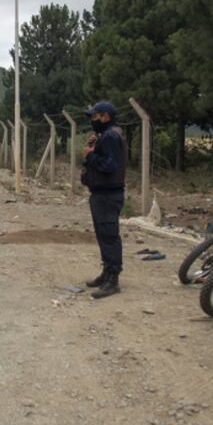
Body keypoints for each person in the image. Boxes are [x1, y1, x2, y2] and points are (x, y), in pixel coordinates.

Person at [81, 101, 129, 299]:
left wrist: (90, 155)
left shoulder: (110, 135)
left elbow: (109, 165)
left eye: (95, 116)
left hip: (108, 194)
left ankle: (113, 280)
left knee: (109, 236)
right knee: (103, 235)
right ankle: (107, 272)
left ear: (105, 117)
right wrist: (94, 147)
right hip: (103, 193)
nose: (93, 120)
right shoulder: (108, 135)